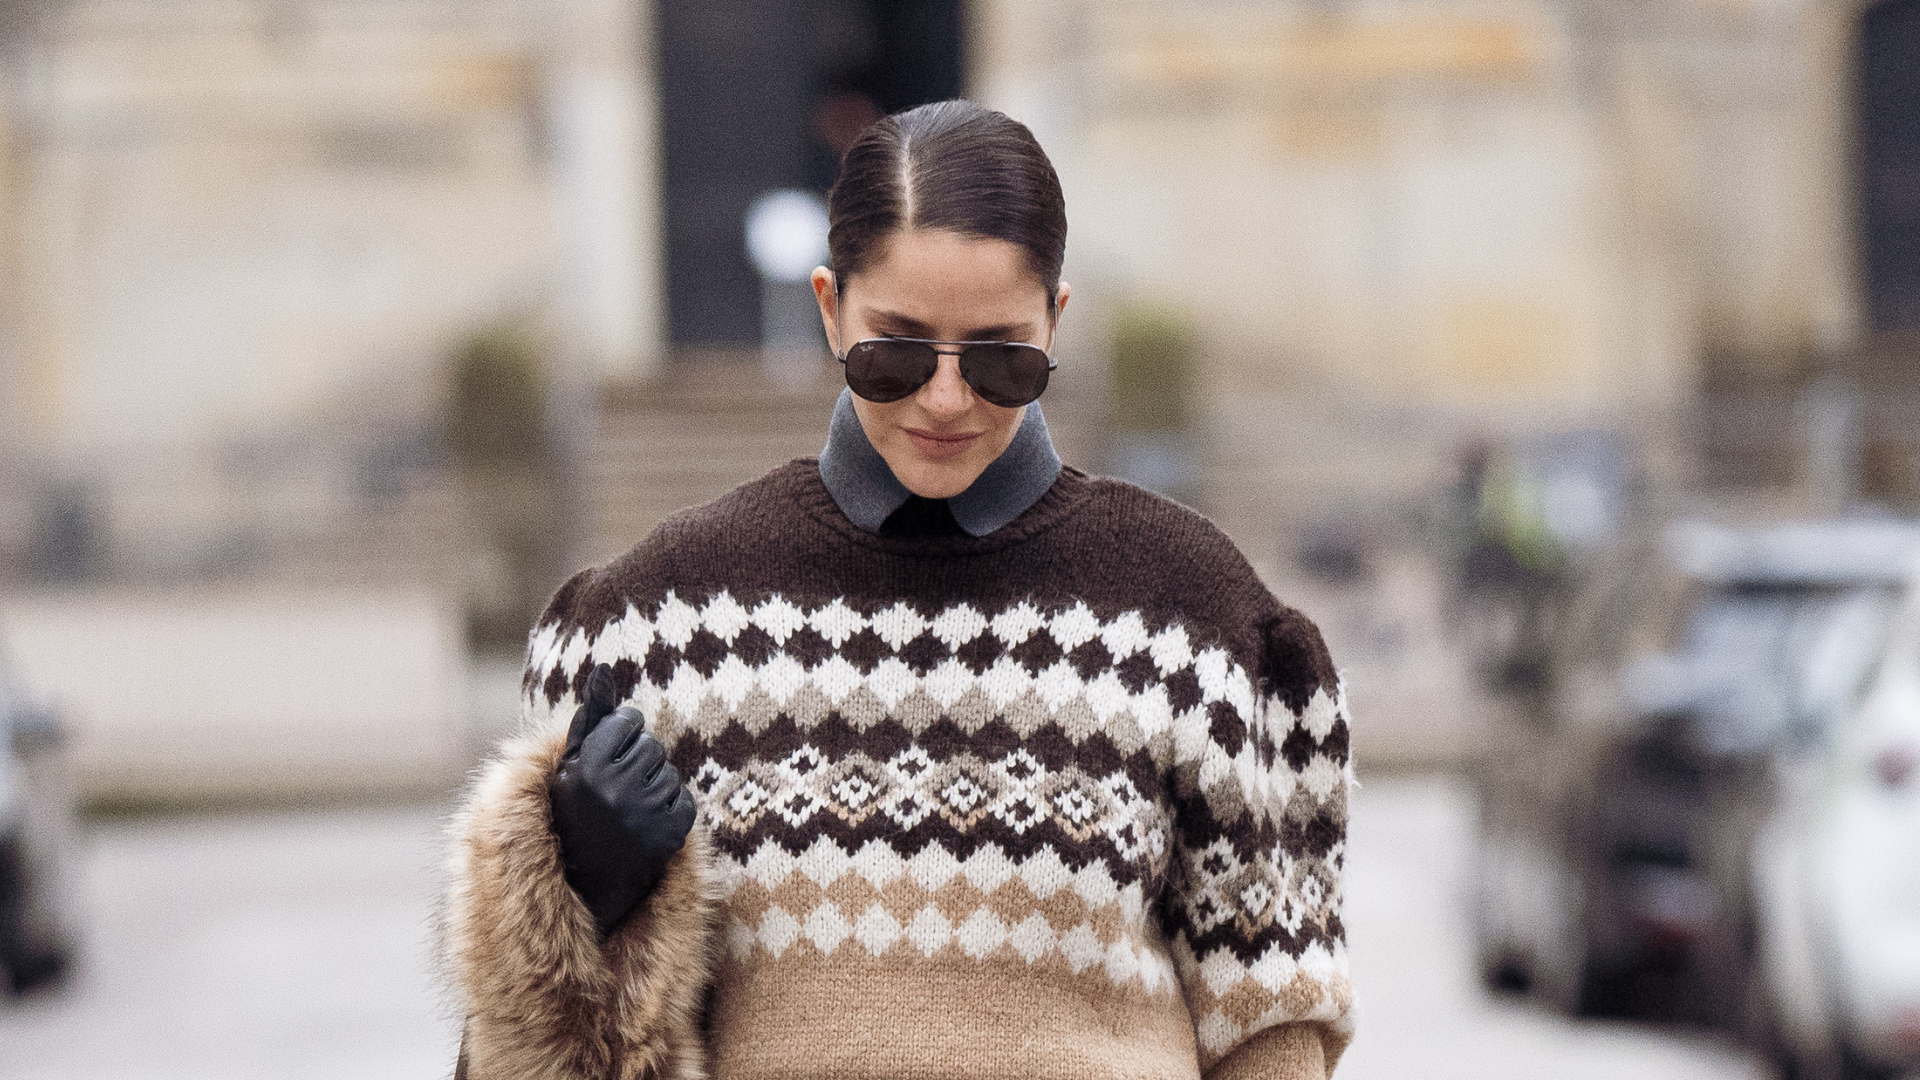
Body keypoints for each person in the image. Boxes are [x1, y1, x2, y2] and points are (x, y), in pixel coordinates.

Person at [442, 99, 1355, 1080]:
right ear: (830, 308)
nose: (947, 398)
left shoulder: (1196, 620)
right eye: (898, 351)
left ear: (1056, 319)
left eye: (1003, 356)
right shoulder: (644, 628)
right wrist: (578, 912)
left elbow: (1272, 1044)